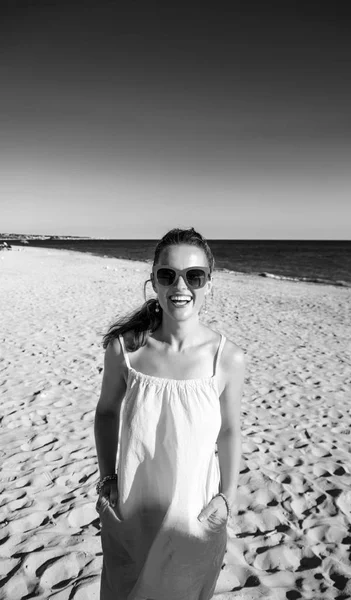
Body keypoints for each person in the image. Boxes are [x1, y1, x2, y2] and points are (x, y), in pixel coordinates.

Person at [94, 227, 246, 600]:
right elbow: (105, 412)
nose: (181, 286)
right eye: (168, 275)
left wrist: (227, 497)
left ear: (209, 284)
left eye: (194, 276)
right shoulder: (125, 349)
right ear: (154, 282)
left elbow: (229, 431)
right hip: (132, 511)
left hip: (194, 519)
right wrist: (106, 478)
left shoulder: (227, 358)